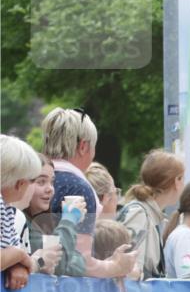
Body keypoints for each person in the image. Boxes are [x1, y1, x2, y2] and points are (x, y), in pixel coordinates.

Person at [42, 107, 136, 279]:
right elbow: (78, 262)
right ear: (84, 146)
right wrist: (116, 266)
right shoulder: (79, 189)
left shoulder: (33, 178)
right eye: (94, 146)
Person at [1, 136, 61, 289]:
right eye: (35, 181)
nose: (50, 189)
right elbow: (22, 257)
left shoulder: (9, 212)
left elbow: (28, 263)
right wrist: (19, 256)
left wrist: (19, 264)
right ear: (20, 184)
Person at [118, 150, 185, 280]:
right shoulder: (139, 213)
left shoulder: (148, 213)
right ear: (177, 181)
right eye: (183, 178)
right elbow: (128, 271)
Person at [23, 153, 85, 277]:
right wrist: (69, 220)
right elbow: (59, 264)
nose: (50, 189)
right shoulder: (18, 220)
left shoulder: (43, 222)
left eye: (52, 182)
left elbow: (80, 262)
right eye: (41, 182)